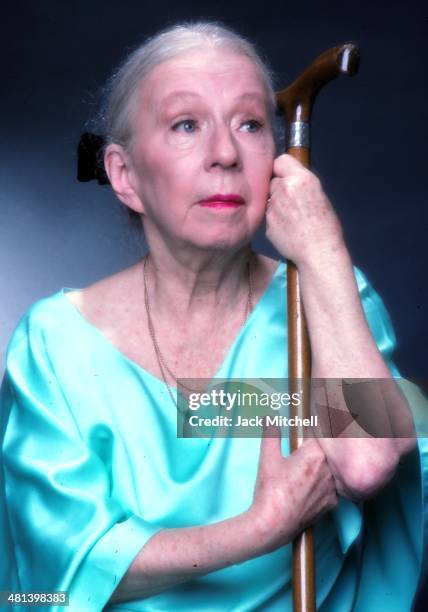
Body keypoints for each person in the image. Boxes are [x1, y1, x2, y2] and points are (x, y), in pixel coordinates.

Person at [0, 21, 426, 612]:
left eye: (250, 124)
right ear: (125, 176)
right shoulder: (55, 343)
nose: (225, 153)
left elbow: (367, 462)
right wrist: (258, 529)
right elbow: (56, 573)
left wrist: (323, 249)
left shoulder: (329, 297)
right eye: (186, 125)